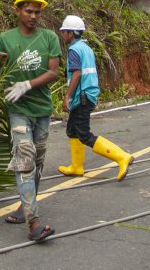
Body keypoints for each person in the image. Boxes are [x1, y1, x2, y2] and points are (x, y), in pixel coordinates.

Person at [0, 0, 60, 242]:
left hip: (42, 110)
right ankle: (34, 223)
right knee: (25, 160)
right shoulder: (5, 38)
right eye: (28, 11)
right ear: (18, 11)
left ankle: (24, 207)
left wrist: (27, 85)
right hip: (18, 110)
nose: (33, 16)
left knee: (38, 162)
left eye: (37, 11)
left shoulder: (49, 38)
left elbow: (54, 72)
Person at [56, 15, 132, 181]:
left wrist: (67, 96)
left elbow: (77, 73)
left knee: (84, 135)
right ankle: (76, 167)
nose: (62, 35)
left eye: (64, 32)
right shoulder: (86, 48)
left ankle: (122, 157)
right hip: (87, 95)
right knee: (73, 130)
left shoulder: (74, 50)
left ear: (71, 33)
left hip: (81, 97)